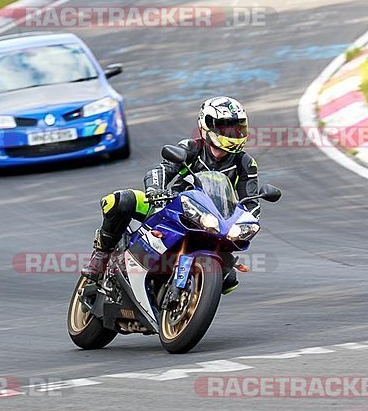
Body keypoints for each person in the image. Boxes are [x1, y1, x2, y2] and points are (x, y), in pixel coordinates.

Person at [81, 96, 259, 294]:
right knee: (119, 200)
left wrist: (245, 226)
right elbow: (161, 171)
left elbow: (251, 202)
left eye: (236, 127)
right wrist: (155, 190)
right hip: (170, 206)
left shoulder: (245, 163)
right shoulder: (191, 148)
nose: (232, 133)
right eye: (225, 127)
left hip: (212, 223)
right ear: (208, 125)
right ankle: (101, 255)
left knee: (229, 281)